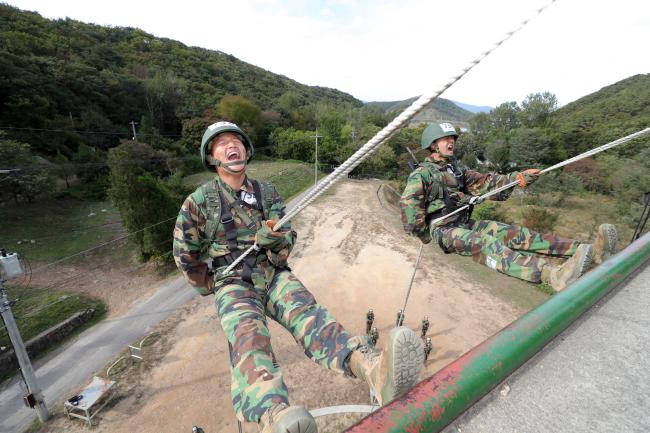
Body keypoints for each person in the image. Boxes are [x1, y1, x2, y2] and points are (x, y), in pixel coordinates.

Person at [173, 121, 424, 433]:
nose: (231, 146)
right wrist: (212, 283)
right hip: (235, 282)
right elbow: (185, 254)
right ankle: (275, 416)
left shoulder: (267, 193)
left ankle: (372, 369)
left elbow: (287, 239)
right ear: (212, 158)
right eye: (221, 143)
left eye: (236, 140)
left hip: (272, 274)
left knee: (311, 316)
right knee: (248, 339)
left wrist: (277, 242)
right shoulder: (198, 202)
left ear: (246, 151)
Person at [400, 122, 618, 292]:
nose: (450, 142)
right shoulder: (422, 174)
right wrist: (425, 235)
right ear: (432, 144)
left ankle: (585, 250)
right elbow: (409, 207)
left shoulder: (457, 170)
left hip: (464, 223)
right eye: (444, 139)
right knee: (486, 243)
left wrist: (517, 178)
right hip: (444, 231)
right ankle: (552, 276)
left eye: (452, 138)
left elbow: (487, 183)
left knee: (516, 234)